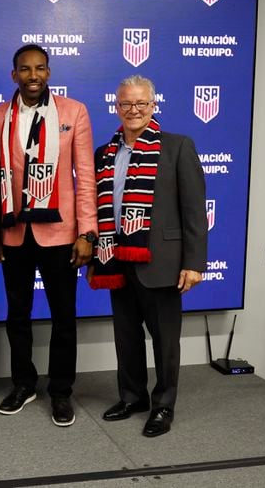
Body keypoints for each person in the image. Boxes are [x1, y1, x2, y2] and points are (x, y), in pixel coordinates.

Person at [88, 74, 207, 437]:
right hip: (116, 257)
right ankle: (132, 396)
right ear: (117, 107)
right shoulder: (105, 153)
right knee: (126, 336)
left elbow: (194, 210)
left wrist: (194, 262)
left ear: (153, 106)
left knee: (165, 339)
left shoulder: (177, 147)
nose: (134, 110)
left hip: (163, 262)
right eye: (126, 104)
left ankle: (163, 405)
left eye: (141, 103)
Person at [0, 44, 97, 427]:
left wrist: (88, 232)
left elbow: (85, 176)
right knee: (17, 315)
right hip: (15, 232)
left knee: (63, 316)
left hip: (61, 232)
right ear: (13, 74)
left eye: (39, 68)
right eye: (24, 69)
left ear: (48, 72)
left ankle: (62, 391)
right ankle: (24, 383)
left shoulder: (74, 112)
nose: (32, 75)